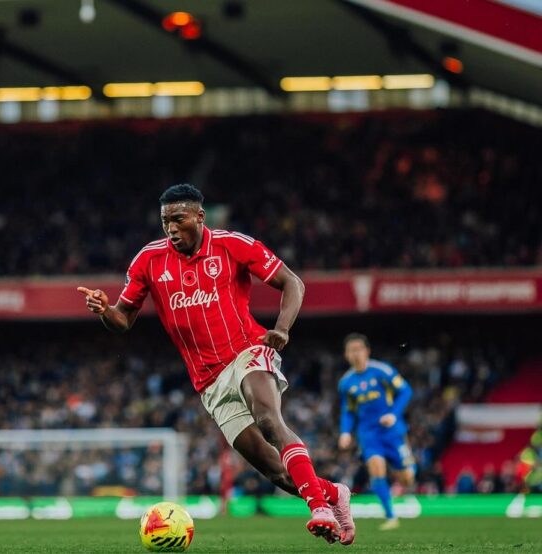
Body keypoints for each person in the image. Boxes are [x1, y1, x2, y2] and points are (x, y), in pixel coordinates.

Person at [77, 184, 354, 545]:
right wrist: (105, 310)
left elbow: (292, 282)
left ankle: (319, 508)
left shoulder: (232, 245)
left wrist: (282, 329)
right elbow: (123, 319)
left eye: (178, 219)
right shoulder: (149, 260)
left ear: (200, 217)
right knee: (276, 472)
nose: (171, 228)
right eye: (165, 221)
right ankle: (333, 494)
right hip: (208, 380)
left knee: (269, 420)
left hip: (248, 350)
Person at [338, 333, 414, 530]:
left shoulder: (382, 371)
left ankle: (407, 468)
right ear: (346, 355)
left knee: (407, 478)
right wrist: (345, 432)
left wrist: (393, 414)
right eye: (351, 351)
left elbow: (406, 391)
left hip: (392, 430)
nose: (356, 354)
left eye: (359, 349)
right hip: (368, 433)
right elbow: (348, 411)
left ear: (367, 351)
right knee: (376, 468)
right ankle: (390, 516)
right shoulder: (346, 382)